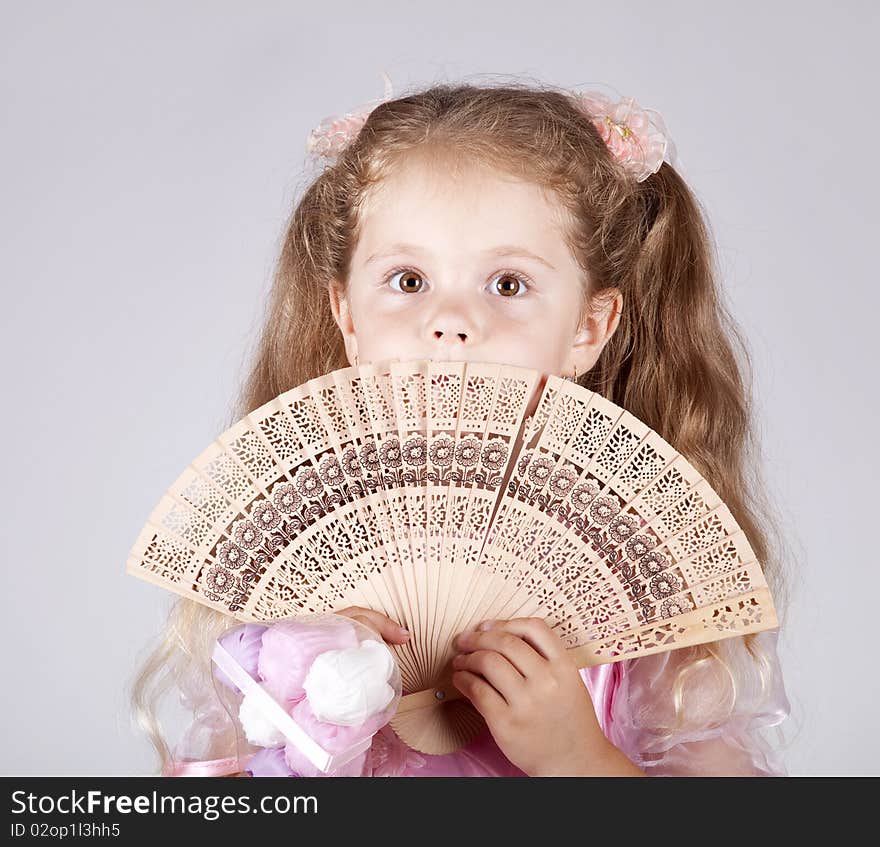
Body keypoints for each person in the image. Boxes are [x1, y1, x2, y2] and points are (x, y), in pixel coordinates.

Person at [129, 76, 794, 777]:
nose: (450, 321)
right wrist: (304, 714)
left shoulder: (653, 586)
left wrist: (578, 759)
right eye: (408, 280)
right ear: (347, 314)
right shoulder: (287, 565)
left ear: (589, 327)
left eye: (507, 284)